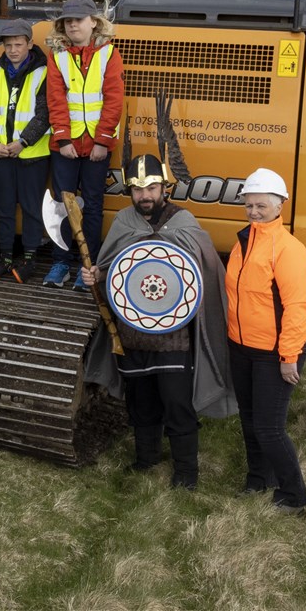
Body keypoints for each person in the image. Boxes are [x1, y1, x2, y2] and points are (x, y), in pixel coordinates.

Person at [81, 154, 235, 489]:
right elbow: (113, 270)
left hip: (174, 339)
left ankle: (186, 475)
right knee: (142, 403)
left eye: (151, 187)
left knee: (178, 405)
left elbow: (203, 273)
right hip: (132, 335)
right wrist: (97, 274)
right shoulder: (124, 222)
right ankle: (146, 460)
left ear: (164, 187)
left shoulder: (183, 222)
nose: (144, 195)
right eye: (137, 189)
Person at [225, 168, 306, 512]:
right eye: (249, 205)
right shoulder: (244, 241)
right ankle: (259, 479)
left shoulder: (289, 250)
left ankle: (294, 495)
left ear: (279, 207)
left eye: (261, 205)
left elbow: (297, 308)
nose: (253, 212)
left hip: (274, 354)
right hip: (241, 347)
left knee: (269, 427)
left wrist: (289, 355)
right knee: (249, 419)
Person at [44, 0, 125, 289]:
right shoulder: (58, 57)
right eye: (68, 20)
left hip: (96, 147)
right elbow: (55, 100)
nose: (73, 25)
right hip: (65, 146)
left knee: (92, 206)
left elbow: (114, 101)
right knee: (62, 205)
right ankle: (60, 263)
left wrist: (102, 141)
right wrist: (63, 138)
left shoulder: (109, 55)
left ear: (94, 22)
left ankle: (86, 265)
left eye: (78, 19)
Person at [0, 18, 51, 281]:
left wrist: (23, 143)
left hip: (32, 155)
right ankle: (5, 257)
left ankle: (29, 258)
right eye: (8, 45)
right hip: (1, 155)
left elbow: (45, 114)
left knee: (31, 208)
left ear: (30, 44)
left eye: (18, 44)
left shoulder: (43, 73)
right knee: (3, 207)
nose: (13, 50)